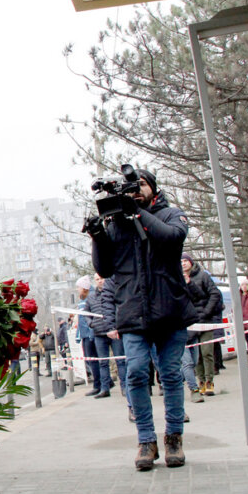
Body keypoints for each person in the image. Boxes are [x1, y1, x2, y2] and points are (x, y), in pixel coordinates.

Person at [87, 168, 197, 470]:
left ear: (153, 189)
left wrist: (137, 213)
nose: (135, 191)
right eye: (130, 189)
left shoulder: (171, 214)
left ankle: (174, 437)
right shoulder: (117, 223)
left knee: (171, 375)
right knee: (135, 372)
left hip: (170, 310)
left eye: (141, 185)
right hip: (133, 313)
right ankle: (145, 440)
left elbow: (172, 239)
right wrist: (98, 235)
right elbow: (106, 268)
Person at [181, 253, 222, 397]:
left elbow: (214, 294)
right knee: (195, 355)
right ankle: (201, 381)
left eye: (186, 260)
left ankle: (209, 381)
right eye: (181, 261)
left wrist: (206, 312)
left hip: (205, 320)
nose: (183, 263)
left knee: (207, 352)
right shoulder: (177, 277)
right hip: (190, 322)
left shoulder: (203, 276)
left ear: (191, 262)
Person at [95, 276, 135, 421]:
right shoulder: (117, 271)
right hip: (130, 325)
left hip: (156, 321)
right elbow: (108, 300)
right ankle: (133, 406)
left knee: (168, 370)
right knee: (134, 367)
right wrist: (111, 325)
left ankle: (175, 410)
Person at [90, 275, 124, 400]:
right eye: (97, 279)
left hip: (115, 331)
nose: (100, 281)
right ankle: (105, 388)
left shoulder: (114, 291)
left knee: (120, 360)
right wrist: (91, 323)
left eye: (101, 278)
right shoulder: (91, 297)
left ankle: (124, 387)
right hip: (99, 333)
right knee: (103, 362)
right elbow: (86, 313)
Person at [75, 276, 105, 397]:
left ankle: (98, 384)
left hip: (90, 334)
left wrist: (90, 332)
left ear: (84, 288)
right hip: (85, 334)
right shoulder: (83, 299)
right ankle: (105, 382)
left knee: (94, 360)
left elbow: (88, 318)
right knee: (92, 360)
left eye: (78, 287)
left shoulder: (90, 298)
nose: (77, 289)